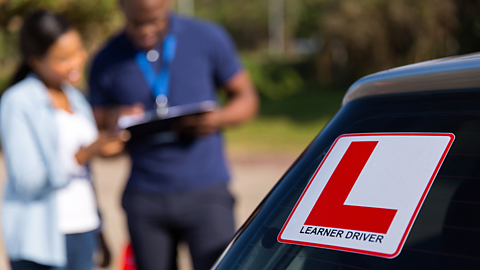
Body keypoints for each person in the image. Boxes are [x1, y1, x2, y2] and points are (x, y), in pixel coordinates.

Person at [88, 0, 258, 269]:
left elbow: (246, 100)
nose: (146, 30)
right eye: (137, 23)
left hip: (207, 193)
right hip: (145, 198)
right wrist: (114, 119)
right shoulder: (106, 59)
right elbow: (95, 128)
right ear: (121, 7)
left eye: (154, 20)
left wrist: (216, 119)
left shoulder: (207, 37)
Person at [0, 10, 127, 270]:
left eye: (79, 52)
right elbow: (27, 180)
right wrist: (85, 153)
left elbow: (85, 165)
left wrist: (107, 146)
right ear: (35, 60)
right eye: (63, 58)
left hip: (84, 227)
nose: (76, 62)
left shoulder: (76, 97)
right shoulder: (18, 101)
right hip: (41, 240)